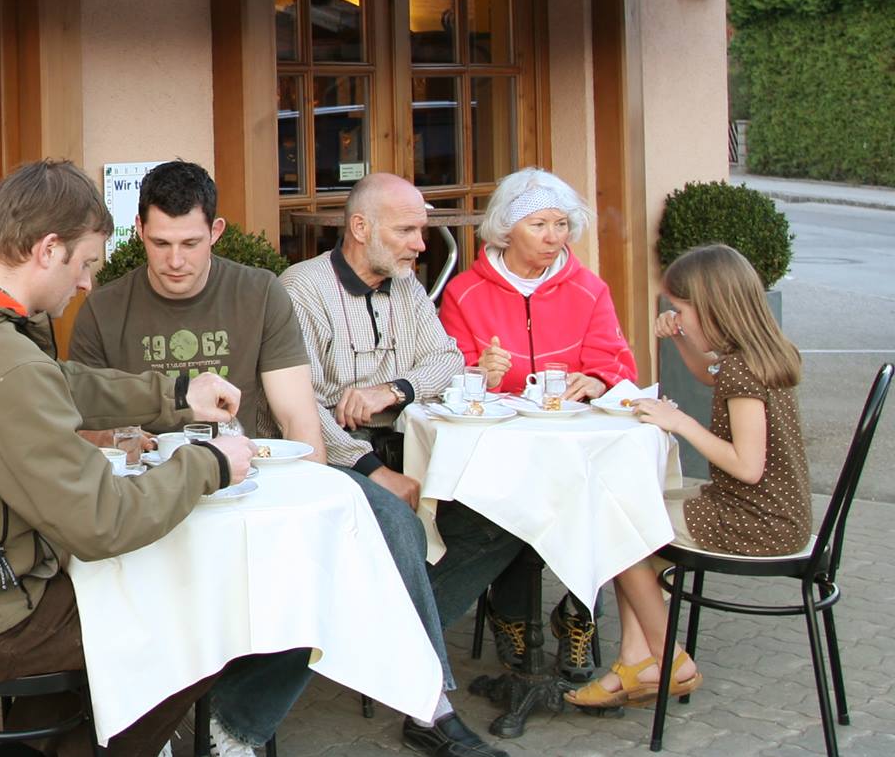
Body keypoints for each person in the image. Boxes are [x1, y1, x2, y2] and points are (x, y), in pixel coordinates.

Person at [0, 159, 311, 757]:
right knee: (191, 620)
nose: (86, 285)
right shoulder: (1, 364)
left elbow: (56, 382)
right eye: (86, 264)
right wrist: (209, 462)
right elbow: (104, 524)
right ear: (49, 250)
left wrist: (177, 394)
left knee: (115, 594)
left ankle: (28, 749)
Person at [71, 160, 510, 757]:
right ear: (139, 234)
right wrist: (132, 441)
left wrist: (316, 484)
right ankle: (168, 717)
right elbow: (92, 433)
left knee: (385, 521)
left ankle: (426, 699)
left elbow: (299, 414)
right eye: (161, 243)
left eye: (191, 244)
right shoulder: (104, 309)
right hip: (155, 487)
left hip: (253, 479)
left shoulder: (258, 291)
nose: (175, 261)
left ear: (217, 231)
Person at [565, 244, 812, 711]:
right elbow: (708, 376)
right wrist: (678, 338)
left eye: (680, 309)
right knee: (632, 510)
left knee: (619, 523)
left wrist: (678, 422)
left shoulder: (742, 371)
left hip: (755, 522)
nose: (674, 315)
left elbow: (747, 465)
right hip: (775, 514)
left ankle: (667, 658)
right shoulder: (759, 354)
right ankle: (636, 662)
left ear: (712, 306)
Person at [281, 174, 524, 640]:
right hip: (338, 459)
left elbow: (447, 360)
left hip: (411, 448)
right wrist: (372, 468)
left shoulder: (405, 284)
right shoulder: (303, 289)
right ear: (360, 227)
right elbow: (297, 407)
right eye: (406, 231)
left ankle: (393, 637)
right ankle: (413, 662)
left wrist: (392, 390)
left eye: (421, 231)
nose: (421, 245)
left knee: (503, 520)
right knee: (405, 532)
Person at [438, 168, 640, 682]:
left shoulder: (589, 289)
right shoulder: (464, 293)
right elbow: (447, 372)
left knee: (597, 498)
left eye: (561, 224)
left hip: (573, 447)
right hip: (500, 450)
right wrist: (477, 373)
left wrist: (595, 379)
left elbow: (616, 361)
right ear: (507, 230)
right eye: (539, 225)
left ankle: (579, 615)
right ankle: (511, 615)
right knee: (504, 506)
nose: (554, 238)